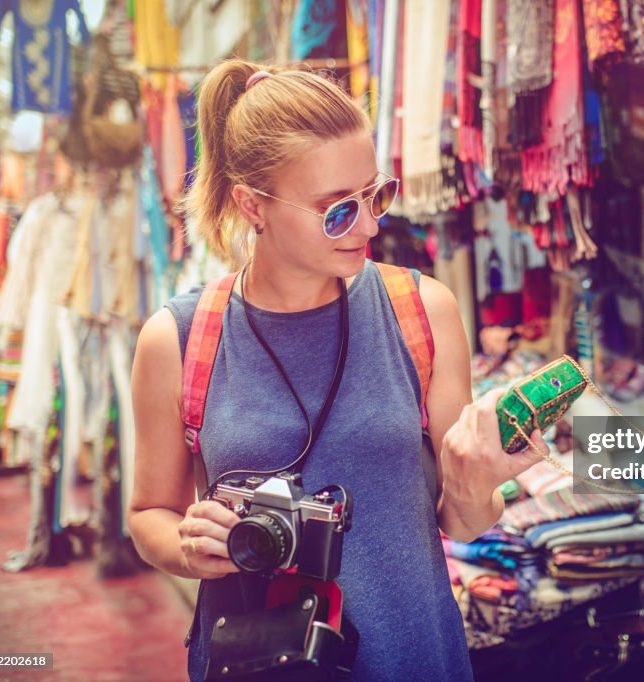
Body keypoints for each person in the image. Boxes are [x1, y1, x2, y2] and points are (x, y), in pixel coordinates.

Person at [126, 60, 548, 681]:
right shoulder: (181, 340)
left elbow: (464, 522)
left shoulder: (421, 310)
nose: (371, 225)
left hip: (414, 655)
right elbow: (147, 516)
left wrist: (476, 481)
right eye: (336, 211)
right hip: (258, 659)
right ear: (252, 205)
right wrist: (190, 545)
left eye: (376, 195)